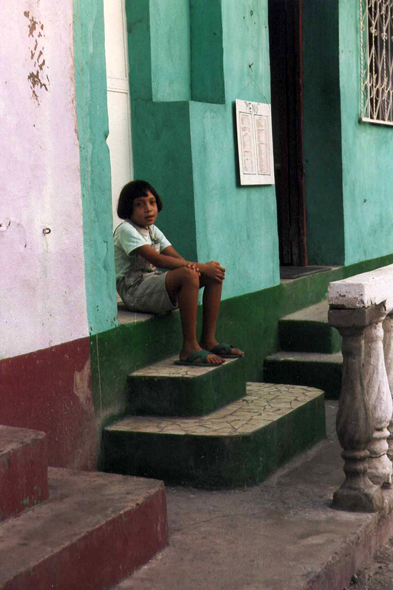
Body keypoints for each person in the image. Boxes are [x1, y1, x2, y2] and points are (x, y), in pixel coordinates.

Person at [114, 180, 244, 365]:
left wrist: (202, 269)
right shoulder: (126, 230)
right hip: (133, 290)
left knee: (213, 274)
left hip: (151, 282)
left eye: (152, 202)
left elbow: (178, 259)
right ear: (128, 207)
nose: (148, 209)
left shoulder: (152, 229)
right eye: (139, 204)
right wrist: (199, 267)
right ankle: (189, 347)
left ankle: (208, 339)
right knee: (191, 273)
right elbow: (158, 260)